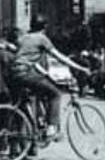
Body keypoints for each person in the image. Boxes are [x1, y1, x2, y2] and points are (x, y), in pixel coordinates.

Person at [10, 14, 89, 142]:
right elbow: (59, 56)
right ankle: (51, 129)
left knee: (42, 91)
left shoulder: (23, 38)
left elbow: (27, 58)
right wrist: (80, 68)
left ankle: (40, 124)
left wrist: (47, 75)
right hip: (25, 73)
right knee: (55, 93)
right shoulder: (42, 38)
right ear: (44, 27)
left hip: (15, 73)